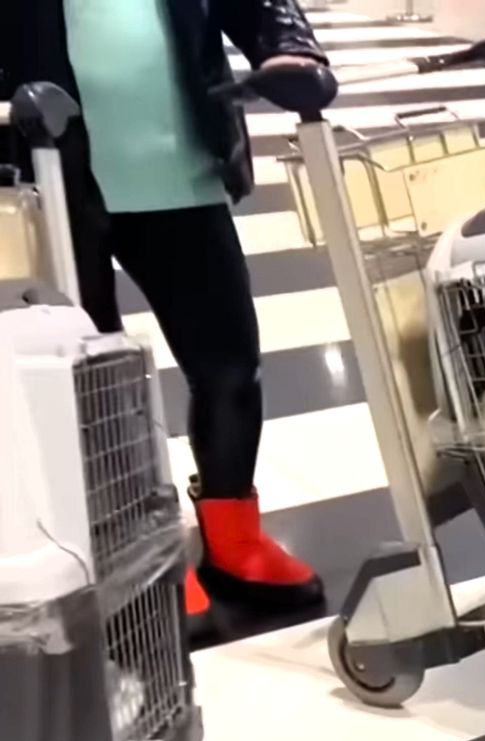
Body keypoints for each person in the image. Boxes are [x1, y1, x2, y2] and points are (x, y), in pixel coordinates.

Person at [1, 0, 328, 623]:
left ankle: (235, 534)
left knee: (230, 366)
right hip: (50, 173)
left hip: (181, 168)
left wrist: (291, 48)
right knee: (89, 383)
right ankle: (129, 549)